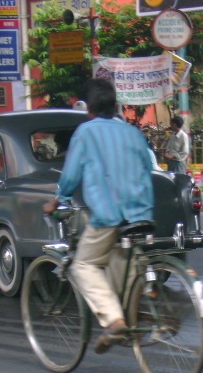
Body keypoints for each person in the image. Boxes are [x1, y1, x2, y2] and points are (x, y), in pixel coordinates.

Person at [43, 78, 154, 354]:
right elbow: (147, 168)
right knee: (121, 260)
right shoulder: (133, 133)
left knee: (84, 265)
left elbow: (70, 176)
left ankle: (114, 320)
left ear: (87, 107)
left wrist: (58, 201)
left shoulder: (86, 132)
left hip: (108, 215)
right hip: (141, 214)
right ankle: (133, 313)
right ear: (114, 104)